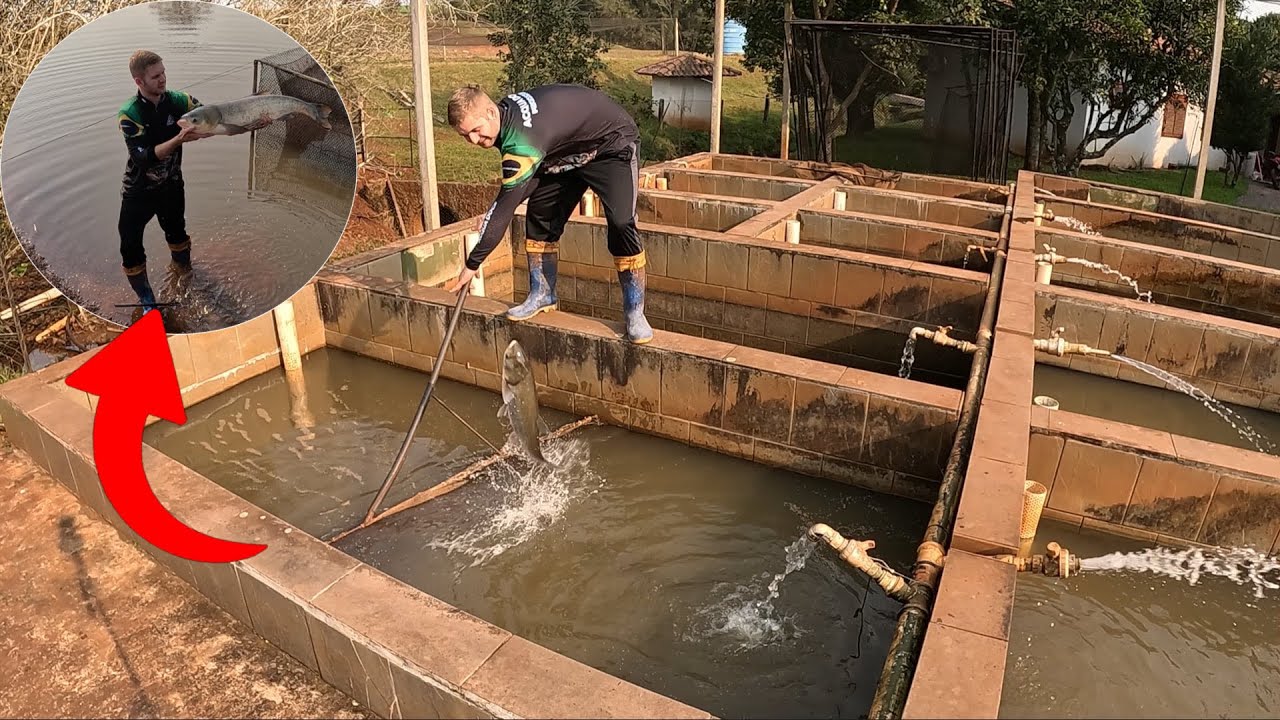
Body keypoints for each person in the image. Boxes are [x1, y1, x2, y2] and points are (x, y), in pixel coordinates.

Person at [445, 83, 653, 345]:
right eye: (466, 136)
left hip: (609, 144)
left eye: (476, 131)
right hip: (562, 153)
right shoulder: (505, 119)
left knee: (622, 223)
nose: (474, 141)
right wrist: (497, 211)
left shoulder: (522, 138)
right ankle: (543, 294)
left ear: (490, 112)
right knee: (540, 216)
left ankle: (635, 310)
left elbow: (507, 202)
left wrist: (472, 263)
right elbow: (513, 191)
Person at [116, 49, 269, 314]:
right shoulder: (129, 113)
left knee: (177, 234)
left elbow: (215, 120)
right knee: (130, 247)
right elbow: (143, 158)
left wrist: (252, 123)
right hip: (138, 191)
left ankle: (184, 275)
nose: (163, 79)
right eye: (155, 76)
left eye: (163, 72)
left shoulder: (180, 101)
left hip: (171, 185)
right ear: (139, 81)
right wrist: (178, 139)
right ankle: (146, 300)